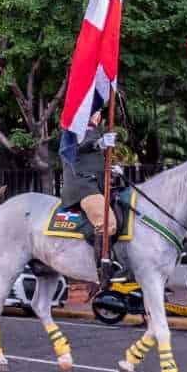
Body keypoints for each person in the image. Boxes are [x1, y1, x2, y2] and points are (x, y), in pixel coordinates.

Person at [59, 106, 124, 281]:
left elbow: (93, 162)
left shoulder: (94, 131)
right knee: (108, 222)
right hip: (83, 187)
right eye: (94, 110)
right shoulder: (73, 130)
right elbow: (78, 148)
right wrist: (98, 144)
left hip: (98, 187)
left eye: (97, 111)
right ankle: (102, 269)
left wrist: (110, 169)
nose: (97, 114)